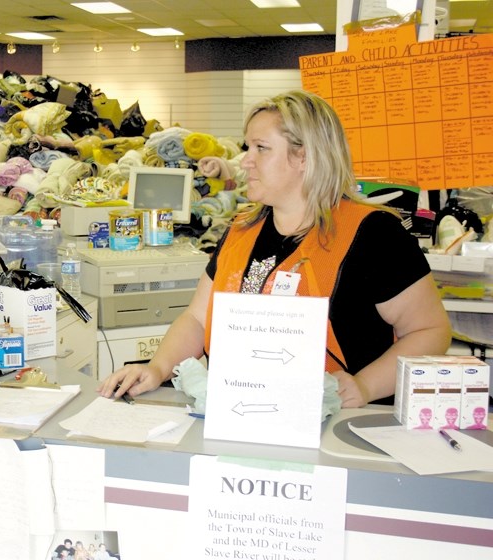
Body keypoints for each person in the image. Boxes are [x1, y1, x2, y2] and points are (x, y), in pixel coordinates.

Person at [99, 90, 451, 408]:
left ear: (304, 156)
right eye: (247, 148)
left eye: (261, 148)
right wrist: (158, 368)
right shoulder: (242, 229)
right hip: (244, 413)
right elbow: (197, 318)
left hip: (337, 427)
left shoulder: (373, 234)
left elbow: (430, 331)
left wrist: (364, 386)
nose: (245, 161)